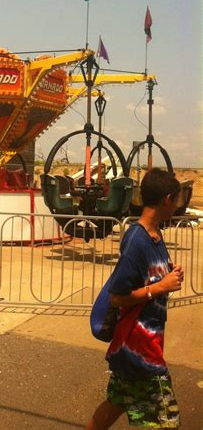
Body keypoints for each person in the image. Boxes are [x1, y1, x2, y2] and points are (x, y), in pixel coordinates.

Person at [86, 168, 184, 430]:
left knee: (114, 406)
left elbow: (149, 279)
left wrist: (168, 275)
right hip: (139, 350)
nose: (177, 206)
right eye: (176, 200)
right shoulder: (137, 240)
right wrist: (161, 286)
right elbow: (118, 297)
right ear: (167, 199)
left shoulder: (156, 237)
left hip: (139, 346)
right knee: (165, 421)